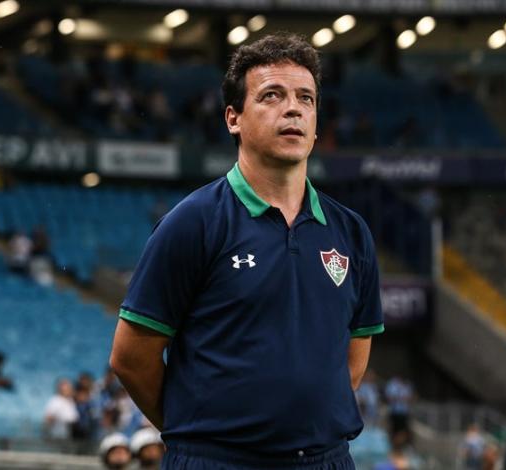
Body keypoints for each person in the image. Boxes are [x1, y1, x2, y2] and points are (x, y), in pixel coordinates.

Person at [109, 33, 384, 469]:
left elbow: (354, 354)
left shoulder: (351, 232)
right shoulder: (193, 222)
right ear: (233, 118)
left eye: (305, 99)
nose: (293, 108)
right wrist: (198, 436)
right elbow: (131, 357)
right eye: (272, 96)